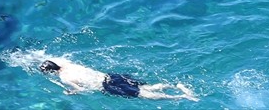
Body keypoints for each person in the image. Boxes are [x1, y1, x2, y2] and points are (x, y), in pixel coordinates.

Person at [38, 58, 198, 101]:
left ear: (51, 72)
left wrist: (70, 92)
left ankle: (181, 96)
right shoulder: (68, 65)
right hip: (111, 76)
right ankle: (176, 86)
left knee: (144, 95)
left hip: (106, 86)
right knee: (146, 87)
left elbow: (81, 89)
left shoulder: (65, 77)